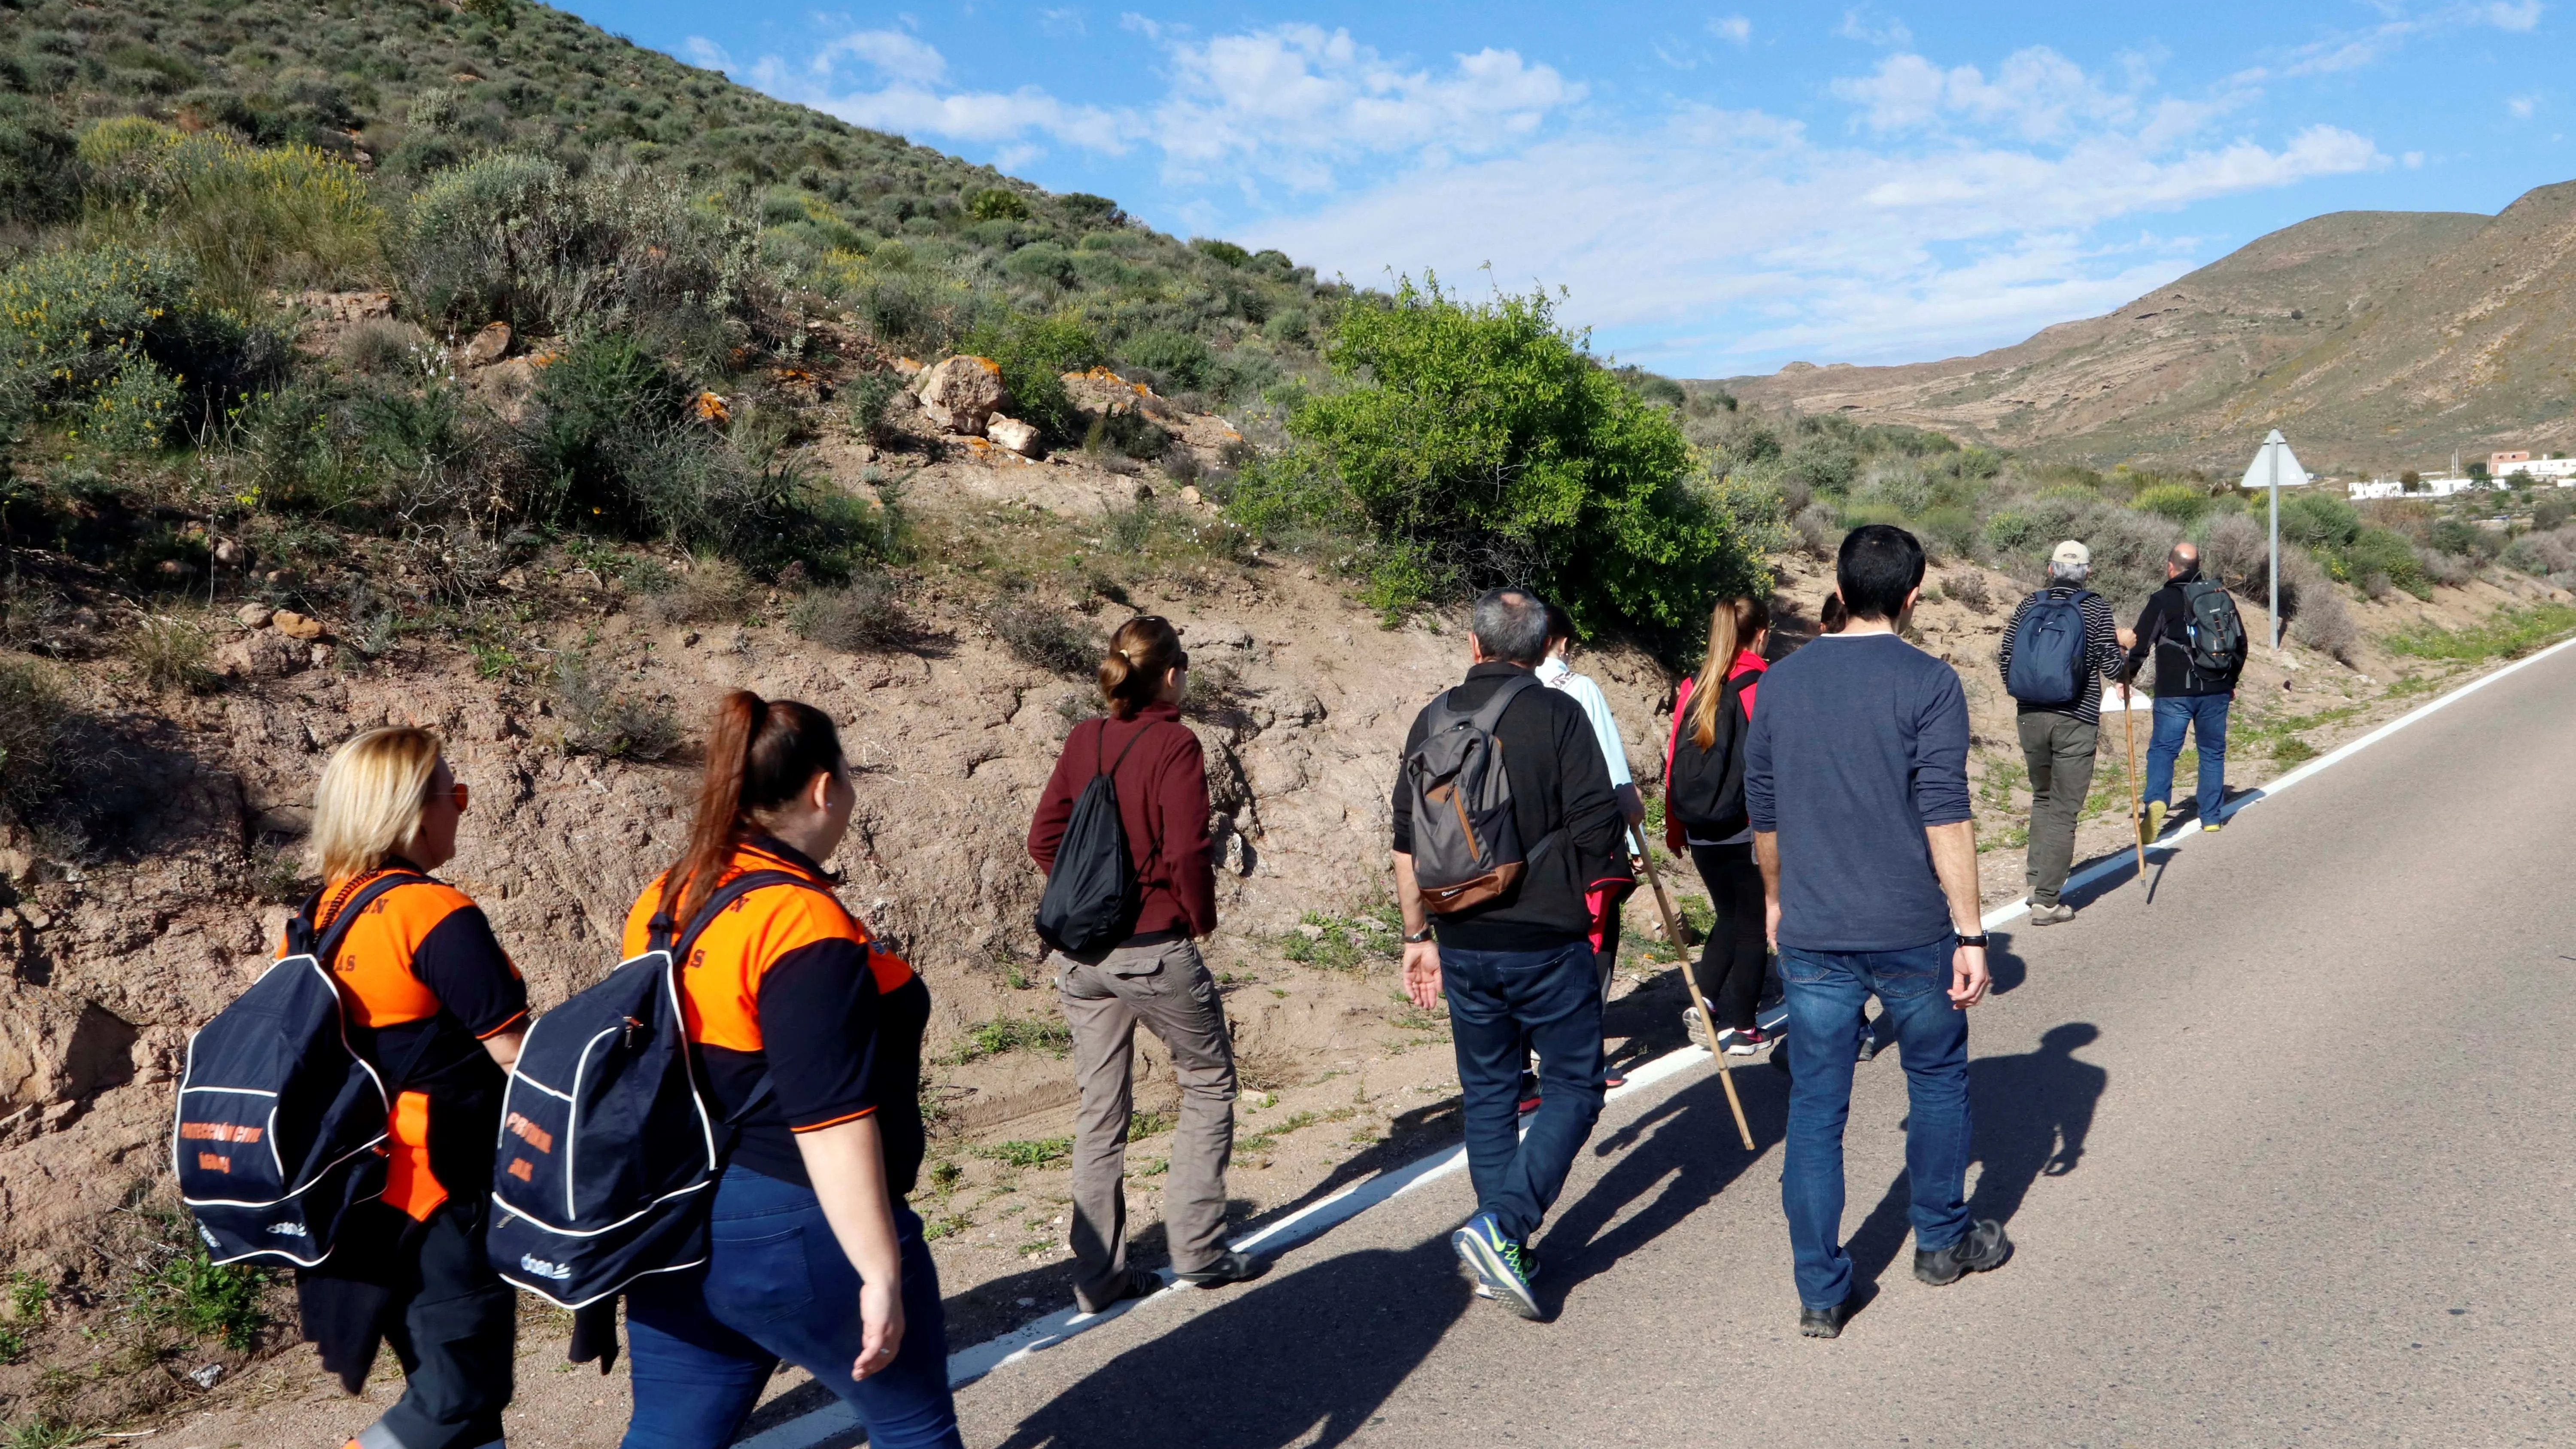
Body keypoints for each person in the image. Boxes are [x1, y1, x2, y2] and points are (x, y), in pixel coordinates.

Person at [617, 693, 962, 1449]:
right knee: (913, 1427)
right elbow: (830, 1119)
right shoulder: (801, 921)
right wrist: (879, 1271)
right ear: (821, 788)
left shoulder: (667, 896)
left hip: (675, 1218)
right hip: (795, 1226)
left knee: (671, 1436)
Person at [1746, 525, 2010, 1340]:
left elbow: (1765, 811)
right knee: (1936, 1078)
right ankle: (1940, 1240)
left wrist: (1776, 898)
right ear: (1913, 594)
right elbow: (1946, 812)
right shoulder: (1928, 681)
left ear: (1839, 584)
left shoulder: (1782, 684)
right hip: (1908, 927)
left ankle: (1821, 1291)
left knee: (1817, 1110)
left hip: (1815, 929)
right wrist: (1971, 934)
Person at [1394, 589, 1634, 1320]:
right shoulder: (1560, 714)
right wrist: (1601, 899)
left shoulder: (1429, 719)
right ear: (1540, 649)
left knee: (1493, 1093)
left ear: (1474, 645)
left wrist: (1416, 939)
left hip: (1461, 939)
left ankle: (1505, 1240)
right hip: (1546, 939)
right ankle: (1503, 1226)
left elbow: (1406, 846)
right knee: (1575, 1087)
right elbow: (1600, 832)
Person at [289, 727, 525, 1449]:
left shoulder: (317, 917)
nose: (460, 811)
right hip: (435, 1195)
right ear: (416, 813)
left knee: (466, 1407)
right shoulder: (433, 915)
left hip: (356, 1197)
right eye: (454, 795)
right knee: (457, 1397)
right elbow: (519, 1058)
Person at [1029, 615, 1262, 1315]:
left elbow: (1045, 838)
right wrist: (1198, 918)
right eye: (1183, 666)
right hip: (1155, 947)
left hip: (1083, 956)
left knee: (1101, 1109)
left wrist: (1086, 897)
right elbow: (1190, 850)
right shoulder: (1175, 743)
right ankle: (1199, 1251)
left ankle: (1099, 1279)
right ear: (1169, 675)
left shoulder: (1084, 738)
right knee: (1209, 1081)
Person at [1995, 541, 2135, 925]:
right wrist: (2125, 649)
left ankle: (2034, 881)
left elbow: (2006, 656)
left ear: (2051, 569)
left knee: (2042, 798)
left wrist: (2026, 691)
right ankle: (2046, 900)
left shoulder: (2029, 604)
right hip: (2075, 717)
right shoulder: (2094, 607)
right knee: (2064, 810)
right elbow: (2111, 665)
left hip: (2030, 715)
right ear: (2088, 573)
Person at [1539, 603, 1643, 1091]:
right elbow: (1612, 771)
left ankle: (1532, 1059)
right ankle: (1584, 1058)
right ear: (1561, 641)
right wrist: (1629, 833)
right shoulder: (1578, 690)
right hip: (1582, 845)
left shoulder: (1501, 693)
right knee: (1593, 945)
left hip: (1523, 848)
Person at [1663, 595, 1772, 1055]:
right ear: (1762, 633)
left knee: (1728, 914)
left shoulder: (1694, 683)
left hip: (1700, 825)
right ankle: (1745, 1028)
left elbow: (1674, 760)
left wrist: (1674, 826)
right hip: (1748, 824)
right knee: (1753, 921)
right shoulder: (1763, 682)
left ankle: (1706, 999)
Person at [2119, 541, 2244, 841]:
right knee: (2212, 752)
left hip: (2175, 691)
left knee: (2164, 750)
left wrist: (2126, 678)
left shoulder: (2162, 599)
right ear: (2198, 565)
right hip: (2216, 688)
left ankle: (2158, 801)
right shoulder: (2220, 596)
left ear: (2170, 566)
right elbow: (2240, 644)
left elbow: (2141, 642)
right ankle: (2212, 817)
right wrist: (2231, 681)